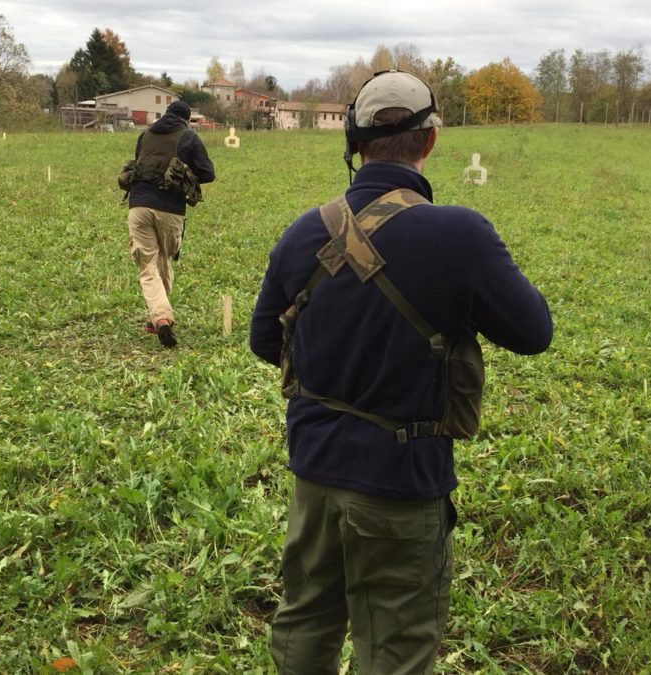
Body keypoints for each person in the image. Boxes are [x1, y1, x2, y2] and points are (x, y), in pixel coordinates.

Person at [249, 70, 553, 674]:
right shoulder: (461, 234)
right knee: (397, 648)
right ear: (430, 141)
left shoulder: (303, 232)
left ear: (354, 144)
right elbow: (533, 333)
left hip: (313, 474)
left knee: (305, 620)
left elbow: (264, 342)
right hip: (402, 482)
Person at [126, 100, 215, 348]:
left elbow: (138, 162)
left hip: (139, 205)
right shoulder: (189, 137)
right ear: (187, 119)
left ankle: (154, 318)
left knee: (150, 264)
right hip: (171, 210)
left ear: (166, 114)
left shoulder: (145, 135)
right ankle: (162, 317)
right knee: (163, 257)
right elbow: (208, 172)